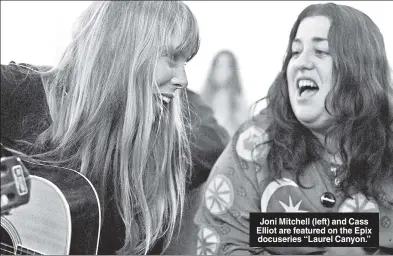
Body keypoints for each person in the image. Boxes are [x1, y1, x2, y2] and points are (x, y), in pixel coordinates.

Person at [0, 1, 229, 254]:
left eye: (186, 63)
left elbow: (217, 142)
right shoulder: (18, 91)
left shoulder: (155, 151)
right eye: (172, 58)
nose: (183, 80)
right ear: (124, 51)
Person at [194, 2, 393, 255]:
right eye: (295, 52)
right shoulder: (254, 145)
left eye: (320, 51)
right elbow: (220, 242)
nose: (301, 62)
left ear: (359, 68)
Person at [201, 50, 249, 136]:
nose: (223, 71)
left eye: (228, 67)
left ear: (233, 71)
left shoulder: (239, 100)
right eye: (219, 66)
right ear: (213, 69)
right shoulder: (201, 98)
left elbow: (244, 130)